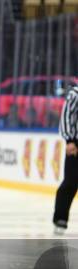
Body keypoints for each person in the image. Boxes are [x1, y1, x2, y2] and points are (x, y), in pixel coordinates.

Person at [53, 85, 78, 235]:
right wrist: (69, 140)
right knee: (71, 182)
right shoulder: (76, 93)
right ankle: (60, 218)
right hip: (76, 144)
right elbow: (67, 115)